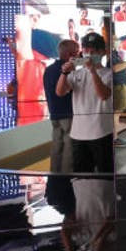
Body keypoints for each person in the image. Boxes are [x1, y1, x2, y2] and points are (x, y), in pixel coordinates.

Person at [55, 32, 114, 173]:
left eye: (95, 50)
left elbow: (103, 95)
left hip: (102, 132)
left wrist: (93, 71)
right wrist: (64, 73)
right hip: (78, 134)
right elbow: (60, 92)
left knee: (105, 174)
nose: (90, 53)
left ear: (103, 52)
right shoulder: (77, 73)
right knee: (81, 176)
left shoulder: (109, 74)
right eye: (87, 50)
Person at [43, 39, 78, 173]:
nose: (78, 55)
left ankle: (55, 174)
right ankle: (66, 176)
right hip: (68, 113)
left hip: (54, 113)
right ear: (70, 54)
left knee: (56, 145)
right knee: (69, 146)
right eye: (76, 52)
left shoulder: (49, 70)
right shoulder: (68, 71)